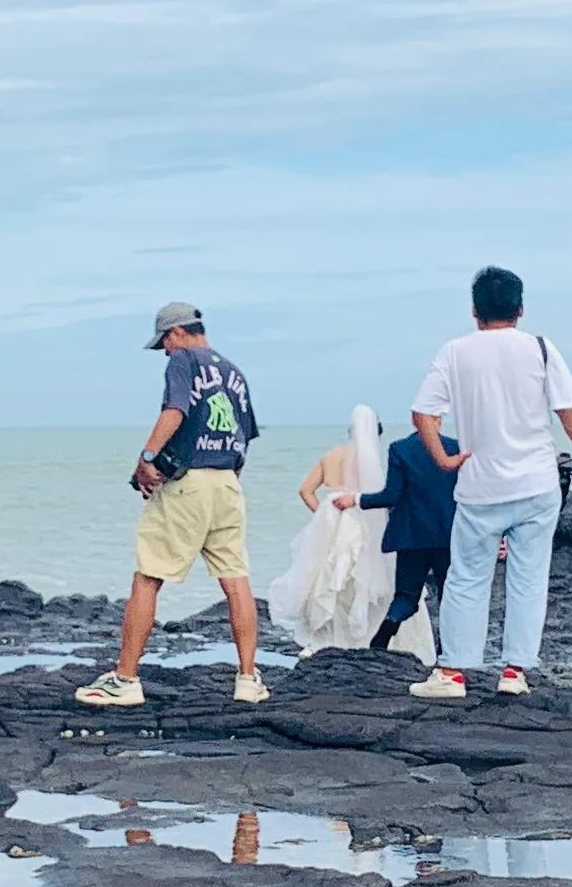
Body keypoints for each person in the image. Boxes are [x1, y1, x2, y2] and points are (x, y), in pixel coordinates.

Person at [404, 265, 572, 700]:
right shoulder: (540, 349)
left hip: (480, 487)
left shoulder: (455, 351)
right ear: (520, 308)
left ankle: (452, 673)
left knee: (467, 578)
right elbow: (568, 411)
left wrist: (444, 458)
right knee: (529, 577)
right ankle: (514, 672)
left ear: (475, 310)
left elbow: (422, 414)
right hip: (536, 483)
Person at [77, 302, 270, 708]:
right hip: (228, 483)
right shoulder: (235, 371)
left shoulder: (184, 361)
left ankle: (126, 679)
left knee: (149, 576)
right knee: (236, 578)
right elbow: (244, 435)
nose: (165, 351)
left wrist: (147, 458)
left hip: (189, 483)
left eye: (164, 341)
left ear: (177, 332)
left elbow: (175, 410)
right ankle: (248, 679)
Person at [264, 406, 394, 655]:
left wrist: (323, 514)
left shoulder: (331, 455)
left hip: (331, 521)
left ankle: (325, 635)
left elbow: (305, 490)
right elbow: (376, 498)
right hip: (359, 520)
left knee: (325, 576)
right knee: (356, 578)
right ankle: (359, 635)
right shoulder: (369, 462)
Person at [356, 417, 460, 659]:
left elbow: (391, 496)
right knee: (451, 595)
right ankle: (447, 650)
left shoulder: (399, 449)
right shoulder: (455, 448)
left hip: (411, 535)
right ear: (440, 421)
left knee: (406, 597)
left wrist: (358, 499)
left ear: (416, 422)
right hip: (449, 535)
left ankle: (382, 637)